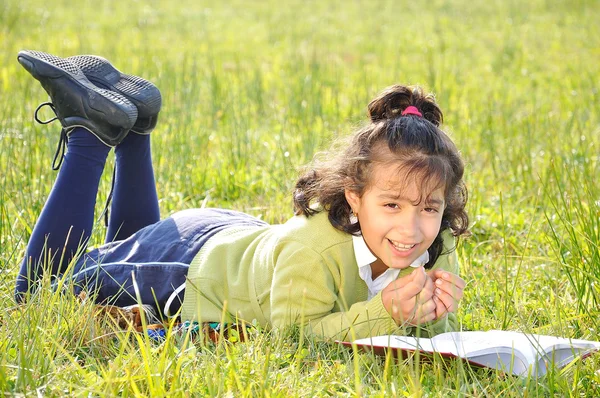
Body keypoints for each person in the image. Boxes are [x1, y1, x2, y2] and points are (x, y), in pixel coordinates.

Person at [15, 50, 469, 342]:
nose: (411, 228)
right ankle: (89, 136)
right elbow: (293, 336)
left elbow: (430, 341)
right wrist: (386, 312)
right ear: (353, 197)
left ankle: (135, 128)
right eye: (391, 204)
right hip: (190, 264)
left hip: (243, 245)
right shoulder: (312, 249)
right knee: (38, 294)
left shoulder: (432, 246)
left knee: (129, 245)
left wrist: (432, 314)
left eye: (429, 208)